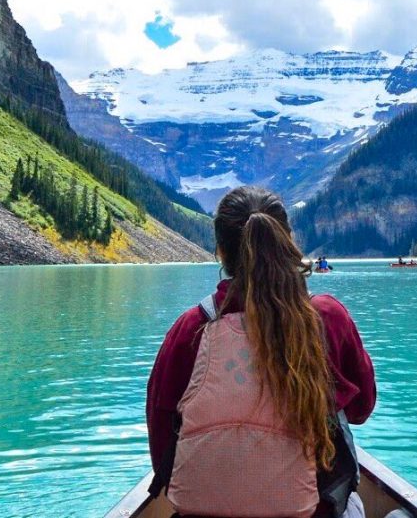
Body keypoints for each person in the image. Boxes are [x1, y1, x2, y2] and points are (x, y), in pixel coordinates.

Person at [147, 187, 378, 518]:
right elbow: (360, 410)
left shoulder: (191, 329)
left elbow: (161, 442)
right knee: (358, 503)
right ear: (286, 243)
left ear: (220, 251)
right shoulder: (327, 318)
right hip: (310, 512)